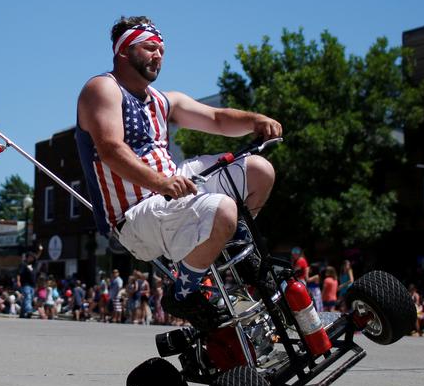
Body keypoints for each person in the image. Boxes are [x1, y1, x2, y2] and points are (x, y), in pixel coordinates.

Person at [76, 16, 281, 328]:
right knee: (223, 208)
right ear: (123, 51)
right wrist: (163, 183)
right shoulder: (102, 89)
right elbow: (110, 149)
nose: (158, 55)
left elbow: (216, 119)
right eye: (149, 48)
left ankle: (237, 248)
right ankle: (183, 293)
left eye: (162, 50)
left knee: (260, 171)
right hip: (135, 215)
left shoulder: (164, 101)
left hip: (172, 192)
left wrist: (256, 120)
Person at [16, 252, 37, 319]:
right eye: (31, 257)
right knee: (28, 297)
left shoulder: (33, 265)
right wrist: (18, 281)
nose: (32, 258)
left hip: (32, 285)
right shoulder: (23, 264)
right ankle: (29, 311)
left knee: (28, 299)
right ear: (27, 257)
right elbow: (19, 273)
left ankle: (22, 314)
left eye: (33, 257)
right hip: (25, 284)